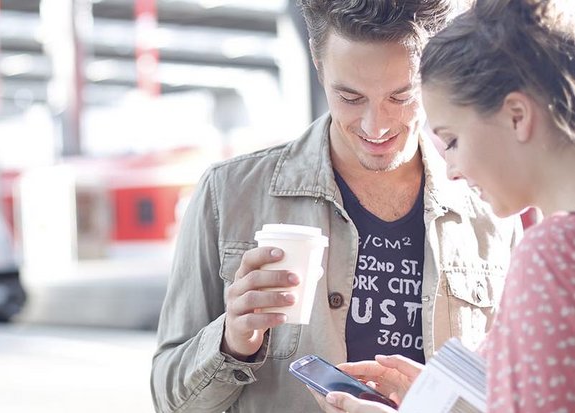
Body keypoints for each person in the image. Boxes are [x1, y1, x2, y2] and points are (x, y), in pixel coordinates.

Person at [150, 1, 522, 412]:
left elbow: (516, 398)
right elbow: (171, 403)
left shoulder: (491, 211)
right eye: (349, 97)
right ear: (316, 60)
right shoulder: (229, 195)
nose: (375, 126)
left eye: (401, 96)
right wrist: (232, 341)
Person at [314, 0, 575, 412]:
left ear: (517, 115)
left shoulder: (552, 255)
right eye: (350, 97)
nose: (450, 170)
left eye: (451, 140)